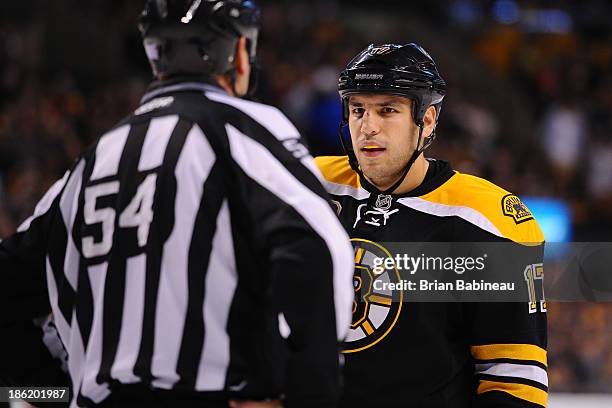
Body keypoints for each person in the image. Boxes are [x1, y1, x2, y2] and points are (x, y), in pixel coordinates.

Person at [0, 1, 354, 407]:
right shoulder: (244, 126)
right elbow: (316, 248)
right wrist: (309, 392)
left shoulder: (92, 160)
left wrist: (56, 391)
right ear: (239, 54)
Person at [315, 43, 548, 407]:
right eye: (358, 109)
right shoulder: (305, 184)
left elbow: (514, 384)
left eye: (387, 110)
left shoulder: (487, 219)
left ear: (426, 120)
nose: (367, 127)